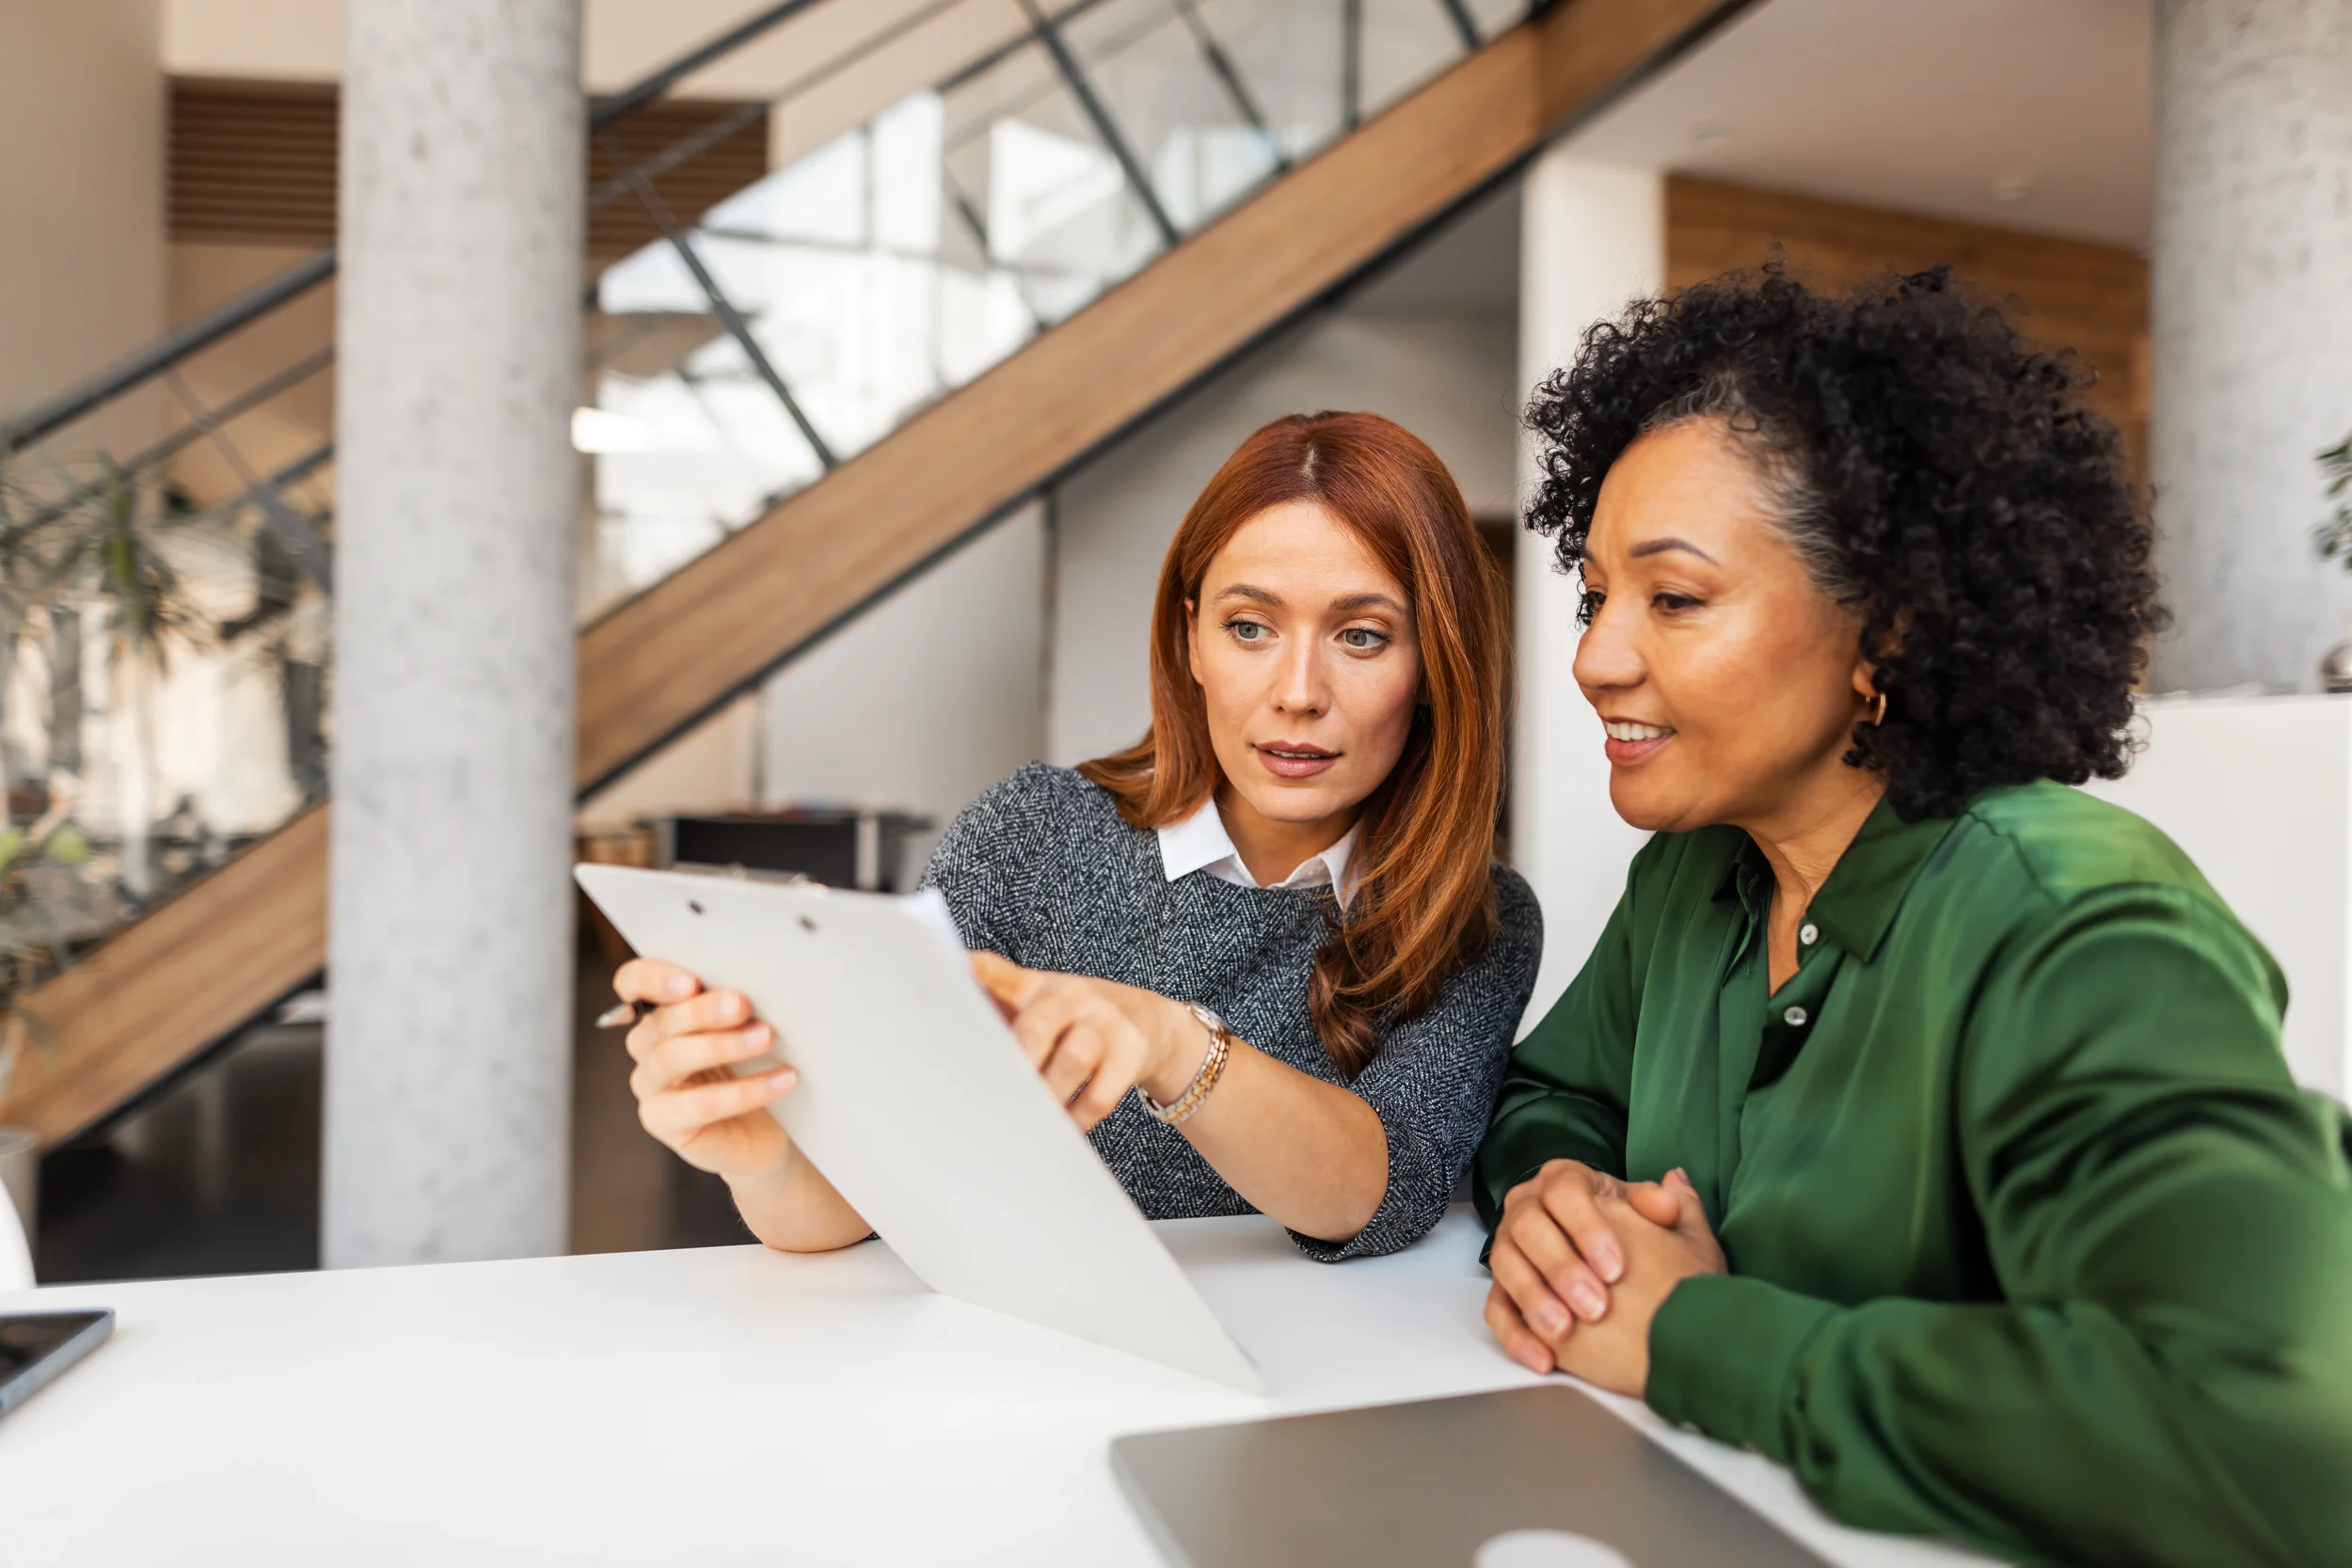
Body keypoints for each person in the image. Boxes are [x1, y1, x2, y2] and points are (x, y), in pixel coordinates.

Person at [1474, 267, 2352, 1566]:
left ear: (1883, 630)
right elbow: (1553, 1093)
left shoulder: (2074, 919)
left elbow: (2277, 1436)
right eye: (1597, 592)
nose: (1596, 654)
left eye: (1674, 597)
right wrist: (1560, 1196)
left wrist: (1690, 1336)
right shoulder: (1698, 872)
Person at [617, 411, 1541, 1261]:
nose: (1297, 689)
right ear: (1191, 640)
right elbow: (857, 1193)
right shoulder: (1035, 833)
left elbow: (1381, 1191)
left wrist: (1169, 1038)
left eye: (1364, 635)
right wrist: (760, 1153)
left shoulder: (1478, 919)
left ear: (1434, 661)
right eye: (1249, 626)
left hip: (1298, 1396)